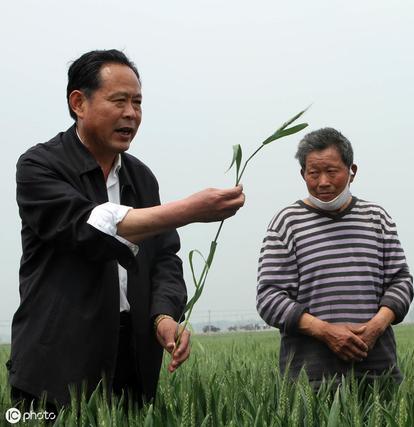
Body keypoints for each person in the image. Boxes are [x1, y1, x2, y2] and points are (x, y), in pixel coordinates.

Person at [7, 49, 245, 410]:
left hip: (131, 358)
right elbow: (88, 226)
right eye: (119, 101)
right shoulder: (40, 166)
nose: (131, 114)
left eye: (137, 103)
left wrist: (164, 316)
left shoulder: (141, 177)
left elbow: (164, 256)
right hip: (55, 363)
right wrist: (188, 210)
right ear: (78, 103)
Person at [256, 127, 414, 391]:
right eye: (313, 173)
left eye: (332, 172)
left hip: (377, 372)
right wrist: (325, 332)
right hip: (310, 379)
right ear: (302, 174)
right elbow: (269, 297)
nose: (323, 182)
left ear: (352, 171)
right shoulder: (286, 223)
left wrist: (377, 325)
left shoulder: (377, 218)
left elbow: (401, 282)